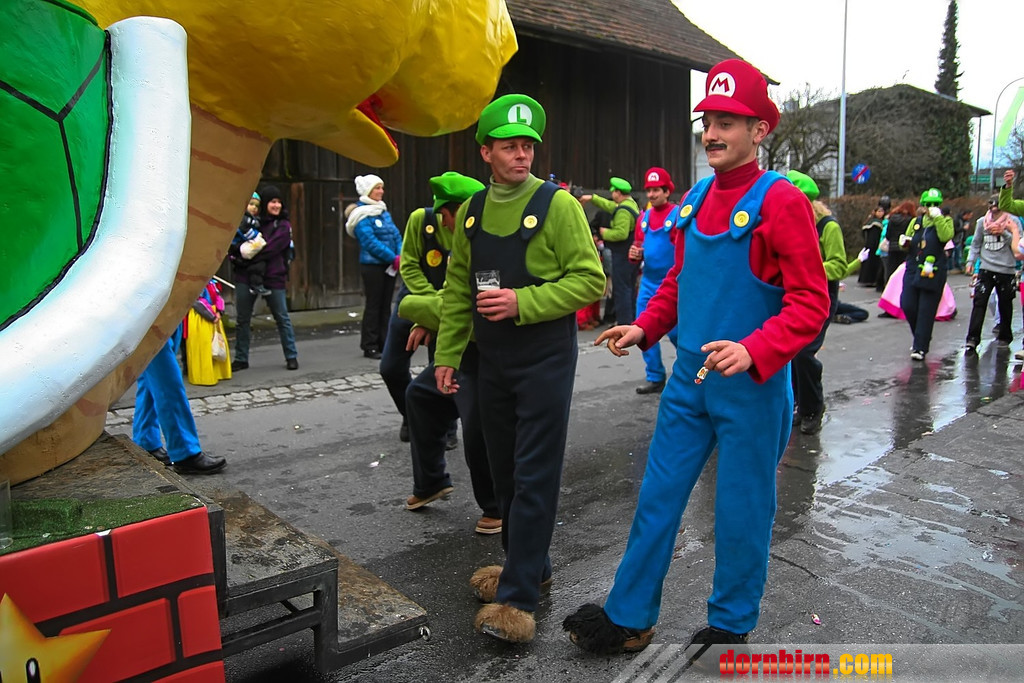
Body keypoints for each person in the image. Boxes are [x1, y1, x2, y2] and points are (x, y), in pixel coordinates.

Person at [563, 58, 829, 656]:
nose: (711, 133)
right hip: (688, 382)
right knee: (657, 498)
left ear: (760, 130)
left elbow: (812, 303)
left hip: (751, 390)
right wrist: (645, 327)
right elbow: (680, 283)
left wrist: (755, 348)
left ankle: (730, 627)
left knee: (741, 511)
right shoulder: (699, 195)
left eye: (727, 122)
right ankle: (629, 616)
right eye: (707, 120)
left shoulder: (782, 201)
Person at [433, 93, 605, 643]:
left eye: (528, 145)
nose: (522, 155)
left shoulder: (559, 206)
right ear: (486, 152)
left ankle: (517, 599)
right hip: (492, 360)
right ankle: (530, 563)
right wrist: (447, 355)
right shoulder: (472, 211)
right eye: (509, 146)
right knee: (502, 468)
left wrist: (521, 302)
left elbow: (590, 281)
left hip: (544, 359)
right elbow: (457, 290)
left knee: (534, 473)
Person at [396, 173, 500, 535]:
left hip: (487, 353)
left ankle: (497, 507)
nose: (441, 223)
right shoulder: (462, 243)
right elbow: (450, 296)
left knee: (477, 428)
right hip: (461, 349)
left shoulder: (488, 246)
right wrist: (428, 317)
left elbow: (474, 306)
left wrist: (414, 308)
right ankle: (431, 482)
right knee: (421, 395)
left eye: (445, 215)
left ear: (462, 211)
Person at [379, 173, 481, 444]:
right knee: (390, 367)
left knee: (442, 368)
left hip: (449, 305)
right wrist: (429, 306)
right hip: (416, 299)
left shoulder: (473, 231)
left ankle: (445, 427)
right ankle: (412, 414)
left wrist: (440, 309)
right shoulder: (420, 220)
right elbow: (409, 266)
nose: (445, 224)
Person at [785, 171, 846, 435]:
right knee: (790, 353)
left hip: (821, 296)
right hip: (792, 295)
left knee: (804, 353)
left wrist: (809, 268)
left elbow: (839, 265)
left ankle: (813, 408)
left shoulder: (828, 227)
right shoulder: (790, 224)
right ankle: (800, 405)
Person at [134, 326, 227, 474]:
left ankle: (146, 440)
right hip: (148, 319)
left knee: (151, 378)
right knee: (166, 380)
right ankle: (184, 451)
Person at [230, 185, 299, 371]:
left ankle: (291, 356)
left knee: (282, 318)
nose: (276, 205)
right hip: (246, 276)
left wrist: (247, 256)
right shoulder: (252, 222)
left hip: (273, 277)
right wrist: (239, 255)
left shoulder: (283, 225)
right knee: (243, 319)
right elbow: (236, 243)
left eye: (279, 202)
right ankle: (241, 358)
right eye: (272, 202)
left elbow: (272, 248)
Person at [631, 167, 680, 394]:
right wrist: (634, 255)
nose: (651, 195)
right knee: (643, 327)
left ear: (667, 191)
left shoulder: (678, 215)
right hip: (648, 282)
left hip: (673, 284)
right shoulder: (644, 218)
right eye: (649, 190)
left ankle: (693, 375)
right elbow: (638, 247)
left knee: (678, 334)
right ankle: (655, 376)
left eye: (656, 190)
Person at [347, 174, 402, 360]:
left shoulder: (383, 211)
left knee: (386, 306)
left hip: (390, 265)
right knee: (374, 305)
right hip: (373, 267)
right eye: (377, 188)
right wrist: (392, 257)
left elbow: (396, 235)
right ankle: (369, 345)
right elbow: (369, 242)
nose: (381, 191)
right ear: (368, 191)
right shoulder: (361, 215)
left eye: (381, 187)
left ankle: (384, 343)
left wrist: (400, 254)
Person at [900, 188, 954, 361]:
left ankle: (920, 347)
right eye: (928, 204)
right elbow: (908, 239)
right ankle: (920, 336)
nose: (931, 207)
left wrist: (938, 218)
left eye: (935, 204)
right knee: (907, 304)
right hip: (913, 267)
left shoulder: (945, 220)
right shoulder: (916, 222)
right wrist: (904, 242)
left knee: (926, 309)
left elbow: (945, 237)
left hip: (933, 269)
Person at [580, 178, 640, 325]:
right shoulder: (630, 204)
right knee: (629, 287)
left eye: (613, 192)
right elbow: (610, 206)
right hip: (630, 255)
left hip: (622, 254)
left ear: (618, 193)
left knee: (621, 289)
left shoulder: (623, 211)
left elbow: (621, 233)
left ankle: (624, 322)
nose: (612, 195)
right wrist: (592, 198)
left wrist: (605, 233)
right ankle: (631, 320)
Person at [963, 196, 1017, 355]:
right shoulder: (982, 222)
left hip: (1006, 269)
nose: (993, 213)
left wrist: (1004, 233)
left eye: (997, 209)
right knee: (979, 302)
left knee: (1005, 303)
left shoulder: (1012, 222)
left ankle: (1005, 336)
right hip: (986, 268)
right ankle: (972, 339)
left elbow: (1018, 245)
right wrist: (970, 261)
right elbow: (976, 243)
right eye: (991, 208)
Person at [184, 279, 232, 386]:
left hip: (213, 315)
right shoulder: (194, 283)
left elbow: (218, 297)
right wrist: (212, 316)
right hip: (200, 317)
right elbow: (197, 301)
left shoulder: (211, 283)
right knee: (203, 345)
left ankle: (218, 373)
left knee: (216, 342)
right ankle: (204, 376)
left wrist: (219, 311)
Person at [231, 192, 270, 296]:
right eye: (251, 204)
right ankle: (256, 285)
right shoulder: (244, 218)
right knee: (257, 263)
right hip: (242, 243)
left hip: (244, 243)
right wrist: (255, 237)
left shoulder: (252, 218)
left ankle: (256, 284)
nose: (254, 208)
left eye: (256, 206)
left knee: (257, 263)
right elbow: (243, 231)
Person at [882, 200, 915, 292]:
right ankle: (900, 288)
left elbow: (888, 234)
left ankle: (889, 288)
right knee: (902, 269)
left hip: (892, 246)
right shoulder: (911, 220)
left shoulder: (892, 218)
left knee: (891, 268)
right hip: (904, 247)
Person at [857, 205, 886, 291]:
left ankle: (874, 280)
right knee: (869, 262)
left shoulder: (883, 222)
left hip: (878, 244)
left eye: (882, 211)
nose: (880, 213)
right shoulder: (872, 222)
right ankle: (867, 280)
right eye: (879, 211)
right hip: (871, 244)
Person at [950, 209, 973, 274]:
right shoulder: (957, 220)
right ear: (966, 215)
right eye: (970, 215)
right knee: (955, 254)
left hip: (961, 240)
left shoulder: (965, 222)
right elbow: (954, 230)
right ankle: (954, 267)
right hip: (955, 240)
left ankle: (959, 267)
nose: (970, 217)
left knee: (959, 254)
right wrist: (963, 228)